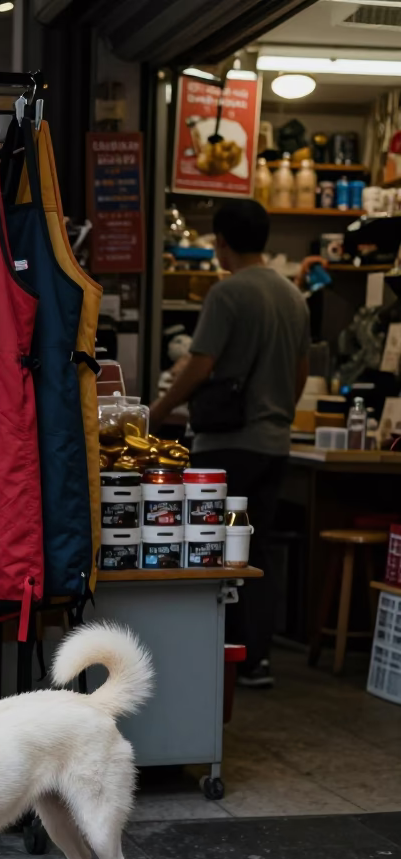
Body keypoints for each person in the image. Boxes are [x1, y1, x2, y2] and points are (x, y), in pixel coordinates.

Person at [150, 199, 310, 687]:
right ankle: (255, 660)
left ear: (221, 241)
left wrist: (153, 414)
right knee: (255, 552)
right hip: (274, 442)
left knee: (212, 553)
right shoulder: (294, 297)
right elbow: (301, 373)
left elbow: (199, 364)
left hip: (225, 444)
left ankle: (218, 656)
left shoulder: (228, 294)